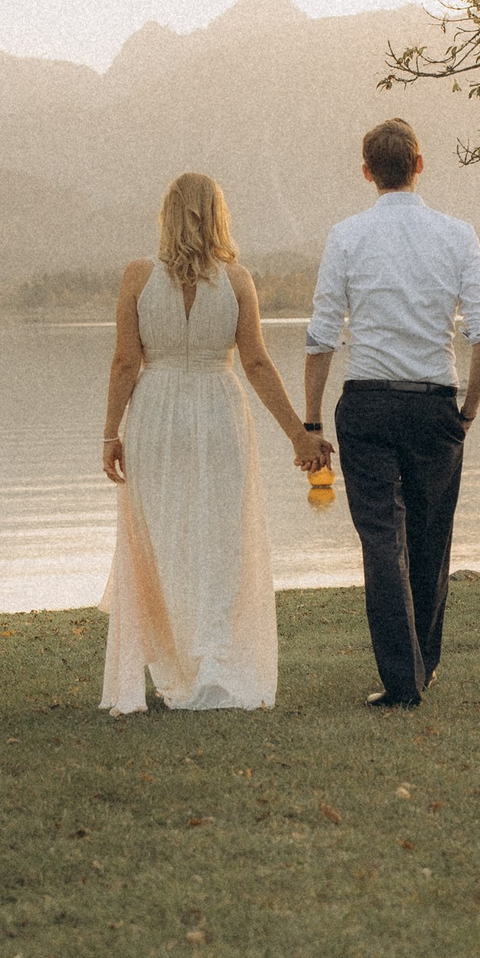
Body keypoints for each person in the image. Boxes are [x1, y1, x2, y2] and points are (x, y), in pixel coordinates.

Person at [101, 172, 329, 713]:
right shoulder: (237, 280)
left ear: (168, 214)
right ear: (218, 215)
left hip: (155, 414)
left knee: (158, 539)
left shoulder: (137, 277)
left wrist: (111, 433)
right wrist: (299, 434)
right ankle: (212, 661)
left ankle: (175, 665)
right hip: (219, 414)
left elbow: (125, 362)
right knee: (220, 540)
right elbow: (255, 362)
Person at [302, 118, 480, 709]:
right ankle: (425, 665)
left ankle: (401, 680)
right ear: (420, 163)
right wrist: (466, 412)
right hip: (433, 404)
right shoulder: (458, 235)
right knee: (429, 536)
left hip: (365, 404)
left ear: (367, 171)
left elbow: (321, 339)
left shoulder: (345, 237)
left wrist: (312, 424)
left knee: (380, 541)